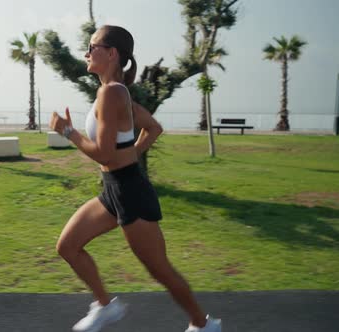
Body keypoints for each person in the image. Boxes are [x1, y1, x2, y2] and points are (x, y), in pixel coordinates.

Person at [49, 25, 222, 332]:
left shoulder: (111, 93)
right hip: (113, 190)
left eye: (92, 47)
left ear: (112, 53)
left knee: (160, 270)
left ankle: (203, 325)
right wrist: (132, 155)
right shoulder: (116, 92)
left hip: (130, 192)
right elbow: (153, 128)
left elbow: (103, 154)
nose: (86, 53)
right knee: (68, 246)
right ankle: (105, 306)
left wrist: (67, 131)